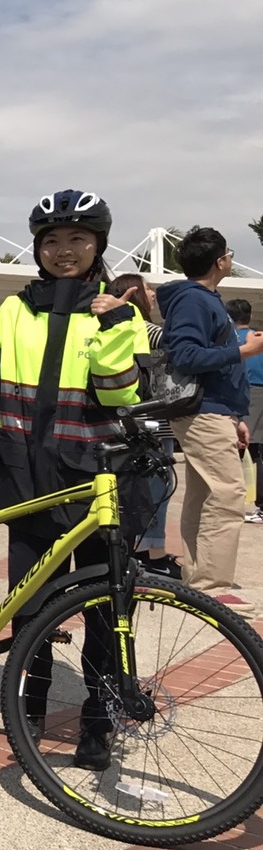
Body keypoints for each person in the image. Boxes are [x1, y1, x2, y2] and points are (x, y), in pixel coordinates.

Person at [0, 189, 145, 770]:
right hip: (24, 478)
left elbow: (120, 394)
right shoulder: (13, 311)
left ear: (98, 246)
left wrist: (114, 330)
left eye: (78, 240)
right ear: (38, 249)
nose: (64, 251)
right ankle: (29, 705)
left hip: (97, 481)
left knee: (105, 608)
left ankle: (99, 714)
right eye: (52, 241)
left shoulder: (121, 312)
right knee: (32, 602)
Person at [157, 228, 262, 615]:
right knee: (228, 494)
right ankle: (213, 587)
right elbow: (185, 356)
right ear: (221, 261)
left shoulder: (196, 299)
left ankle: (200, 580)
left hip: (211, 409)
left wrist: (233, 416)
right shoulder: (194, 301)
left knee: (204, 495)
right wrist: (243, 348)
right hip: (204, 410)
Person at [109, 273, 181, 577]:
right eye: (149, 289)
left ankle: (142, 552)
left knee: (140, 492)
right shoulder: (144, 329)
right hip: (149, 425)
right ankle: (152, 555)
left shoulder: (118, 329)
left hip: (134, 424)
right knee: (154, 492)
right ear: (134, 294)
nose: (153, 294)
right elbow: (178, 345)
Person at [227, 299, 263, 524]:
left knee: (236, 450)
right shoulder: (258, 338)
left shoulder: (229, 340)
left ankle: (231, 504)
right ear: (248, 316)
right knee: (258, 452)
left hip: (242, 394)